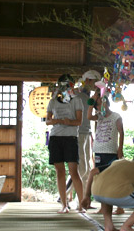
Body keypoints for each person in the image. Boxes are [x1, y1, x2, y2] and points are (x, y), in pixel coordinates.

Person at [81, 152, 134, 231]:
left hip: (97, 192)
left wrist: (87, 196)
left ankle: (109, 226)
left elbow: (93, 172)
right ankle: (127, 226)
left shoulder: (119, 162)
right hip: (116, 192)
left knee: (107, 189)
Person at [46, 74, 85, 213]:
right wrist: (57, 121)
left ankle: (81, 204)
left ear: (72, 85)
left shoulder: (77, 100)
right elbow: (47, 120)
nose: (65, 87)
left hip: (70, 137)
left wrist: (69, 122)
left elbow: (79, 122)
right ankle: (64, 205)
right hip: (56, 137)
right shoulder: (53, 101)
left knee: (74, 171)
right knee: (59, 171)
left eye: (68, 84)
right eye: (63, 84)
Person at [64, 70, 100, 205]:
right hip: (77, 134)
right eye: (94, 83)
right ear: (88, 81)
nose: (95, 86)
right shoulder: (77, 95)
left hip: (86, 133)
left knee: (86, 168)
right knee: (82, 168)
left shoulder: (89, 97)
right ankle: (71, 196)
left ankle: (83, 200)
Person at [87, 91, 124, 214]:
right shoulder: (99, 116)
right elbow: (88, 116)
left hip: (111, 151)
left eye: (100, 104)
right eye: (97, 106)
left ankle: (119, 207)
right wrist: (92, 101)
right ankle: (104, 207)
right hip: (98, 151)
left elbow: (121, 132)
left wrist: (120, 149)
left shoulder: (116, 116)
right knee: (100, 179)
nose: (99, 107)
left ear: (106, 103)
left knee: (113, 179)